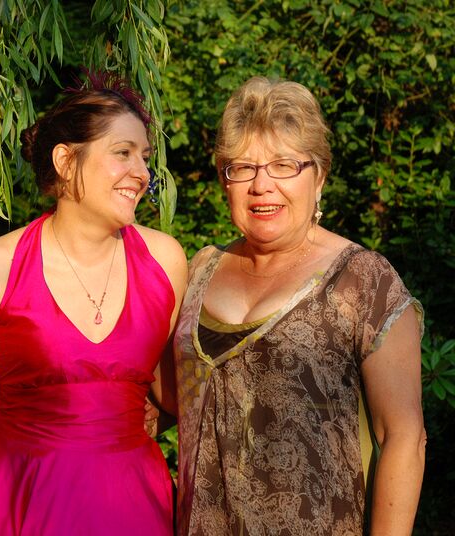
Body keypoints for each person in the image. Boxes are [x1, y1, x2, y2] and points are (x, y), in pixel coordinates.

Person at [0, 70, 188, 535]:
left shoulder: (166, 260)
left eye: (145, 157)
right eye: (123, 153)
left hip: (131, 499)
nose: (142, 173)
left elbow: (174, 389)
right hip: (22, 492)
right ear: (66, 161)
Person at [171, 77, 426, 535]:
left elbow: (403, 437)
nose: (261, 185)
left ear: (319, 176)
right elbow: (160, 393)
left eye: (284, 165)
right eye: (242, 168)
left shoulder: (363, 280)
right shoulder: (198, 270)